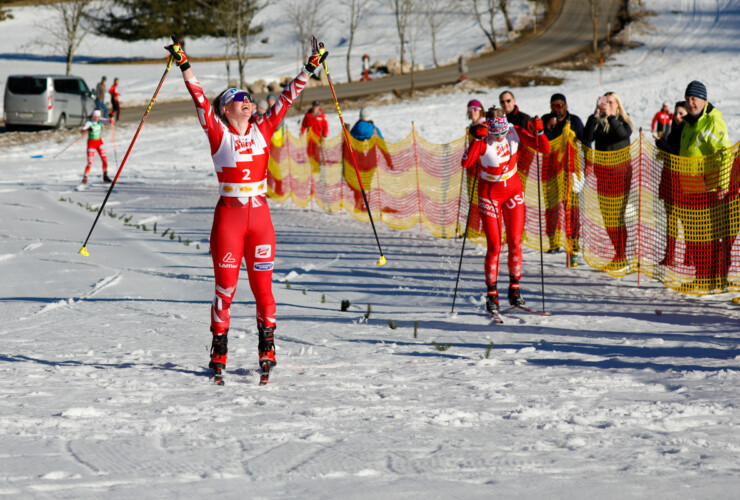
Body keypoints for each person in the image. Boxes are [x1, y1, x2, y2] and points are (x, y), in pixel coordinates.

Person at [164, 36, 327, 384]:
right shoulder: (217, 132)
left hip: (261, 220)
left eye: (249, 99)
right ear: (225, 108)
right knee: (226, 289)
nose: (248, 103)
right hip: (229, 218)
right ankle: (218, 349)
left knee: (264, 290)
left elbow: (288, 98)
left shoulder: (264, 129)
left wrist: (310, 66)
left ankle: (267, 349)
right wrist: (183, 62)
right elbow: (197, 96)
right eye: (240, 100)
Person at [460, 106, 551, 314]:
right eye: (496, 133)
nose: (500, 137)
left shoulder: (514, 131)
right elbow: (465, 163)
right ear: (489, 129)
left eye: (502, 132)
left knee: (515, 241)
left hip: (513, 189)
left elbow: (543, 148)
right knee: (494, 246)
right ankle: (492, 295)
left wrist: (540, 132)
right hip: (490, 193)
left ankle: (515, 290)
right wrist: (476, 140)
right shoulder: (484, 140)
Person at [678, 81, 731, 292]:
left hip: (706, 189)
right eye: (688, 99)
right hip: (688, 188)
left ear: (704, 100)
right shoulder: (689, 122)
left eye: (694, 99)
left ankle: (710, 279)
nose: (691, 103)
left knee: (705, 237)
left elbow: (724, 155)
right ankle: (701, 277)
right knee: (693, 237)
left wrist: (722, 185)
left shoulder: (712, 123)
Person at [583, 91, 634, 269]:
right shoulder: (599, 123)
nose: (608, 105)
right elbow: (587, 137)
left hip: (620, 175)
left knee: (617, 216)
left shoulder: (624, 122)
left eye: (611, 102)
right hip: (603, 175)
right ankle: (617, 254)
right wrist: (595, 115)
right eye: (605, 102)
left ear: (618, 105)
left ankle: (622, 257)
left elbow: (622, 135)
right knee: (607, 218)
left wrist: (612, 117)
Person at [541, 93, 587, 260]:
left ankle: (573, 241)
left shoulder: (574, 121)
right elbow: (539, 139)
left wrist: (585, 169)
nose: (556, 109)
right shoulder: (546, 119)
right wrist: (548, 128)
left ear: (566, 106)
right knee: (551, 207)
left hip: (570, 170)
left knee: (572, 208)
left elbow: (585, 142)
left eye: (559, 105)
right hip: (550, 171)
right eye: (553, 106)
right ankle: (553, 242)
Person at [655, 101, 688, 268]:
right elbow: (667, 152)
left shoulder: (686, 131)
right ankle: (670, 254)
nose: (677, 117)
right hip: (668, 179)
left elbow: (676, 153)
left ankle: (689, 253)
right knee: (671, 221)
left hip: (681, 182)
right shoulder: (672, 130)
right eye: (676, 113)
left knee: (684, 219)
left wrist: (661, 143)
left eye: (681, 114)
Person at [80, 109, 113, 185]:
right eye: (95, 116)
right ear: (93, 116)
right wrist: (88, 129)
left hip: (99, 142)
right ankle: (85, 178)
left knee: (104, 159)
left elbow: (110, 122)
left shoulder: (100, 120)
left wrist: (111, 117)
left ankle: (105, 176)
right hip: (91, 143)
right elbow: (82, 130)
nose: (97, 118)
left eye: (98, 116)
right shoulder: (89, 122)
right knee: (90, 162)